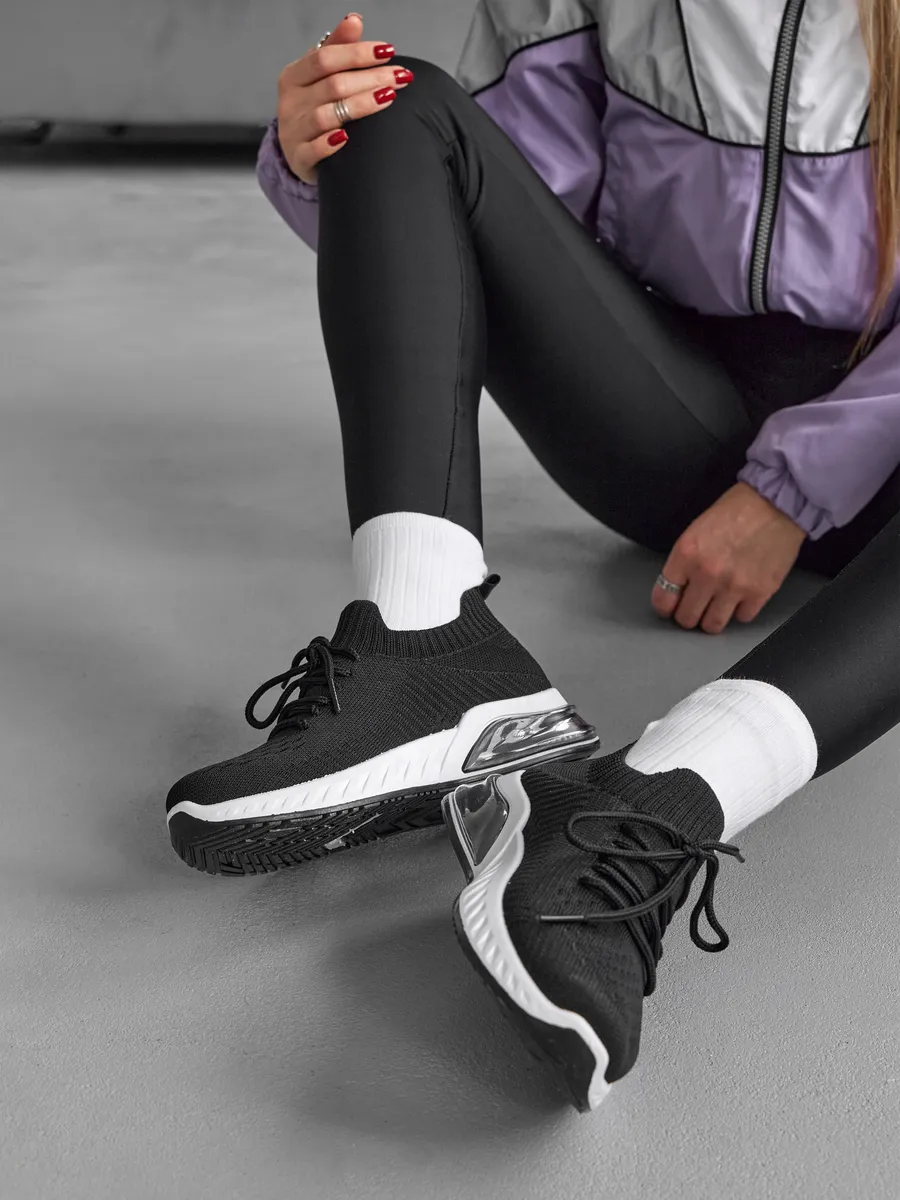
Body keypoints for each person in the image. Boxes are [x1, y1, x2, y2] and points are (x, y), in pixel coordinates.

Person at [165, 4, 900, 1108]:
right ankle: (428, 652)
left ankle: (652, 809)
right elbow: (499, 218)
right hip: (670, 413)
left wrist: (790, 494)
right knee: (393, 105)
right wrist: (333, 160)